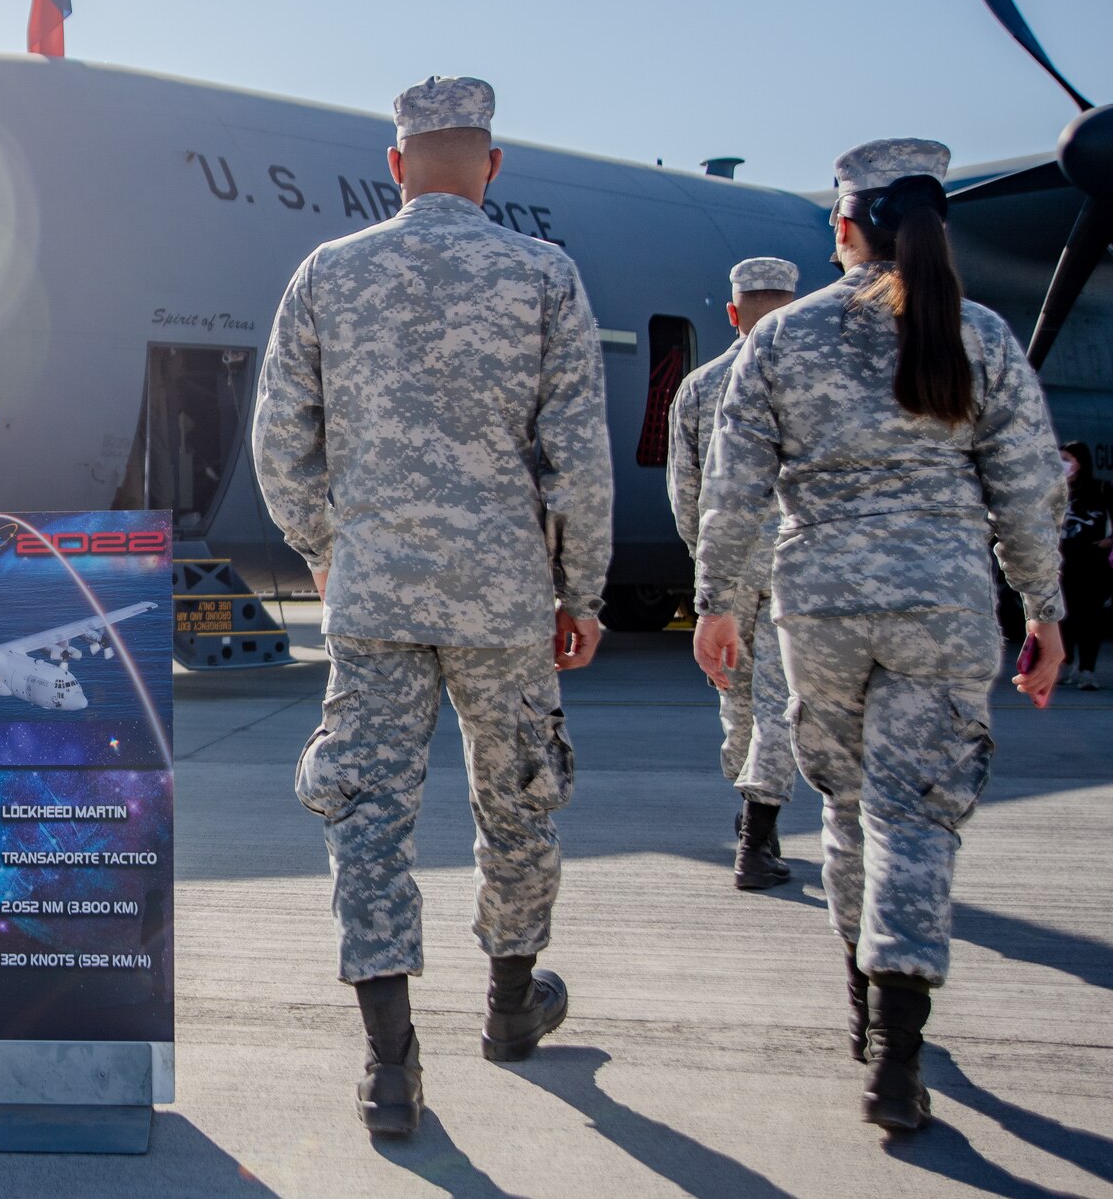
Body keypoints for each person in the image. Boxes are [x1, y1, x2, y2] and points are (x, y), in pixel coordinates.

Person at [252, 75, 614, 1136]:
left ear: (395, 163)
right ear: (491, 166)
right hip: (502, 599)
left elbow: (280, 442)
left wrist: (327, 549)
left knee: (366, 816)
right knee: (518, 802)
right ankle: (508, 1011)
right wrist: (580, 589)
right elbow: (576, 458)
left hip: (373, 597)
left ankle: (389, 1068)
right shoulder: (543, 275)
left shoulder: (328, 273)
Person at [692, 138, 1065, 1133]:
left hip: (815, 600)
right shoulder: (976, 334)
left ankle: (863, 1013)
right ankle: (896, 1053)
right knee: (914, 815)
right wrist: (1042, 612)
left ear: (847, 225)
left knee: (849, 812)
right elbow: (1029, 490)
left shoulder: (778, 340)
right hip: (940, 600)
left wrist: (715, 604)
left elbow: (731, 490)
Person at [667, 256, 800, 889]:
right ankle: (758, 834)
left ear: (731, 313)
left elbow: (684, 493)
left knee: (736, 699)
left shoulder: (696, 388)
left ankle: (748, 821)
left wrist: (708, 569)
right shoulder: (808, 376)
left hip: (726, 566)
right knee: (783, 703)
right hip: (793, 563)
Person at [1057, 440, 1113, 689]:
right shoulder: (1054, 490)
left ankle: (1087, 670)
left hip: (1091, 562)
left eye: (1067, 459)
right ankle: (1066, 663)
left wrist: (1109, 541)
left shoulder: (1101, 488)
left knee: (1089, 618)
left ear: (1081, 462)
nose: (1063, 465)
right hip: (1061, 561)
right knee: (1062, 616)